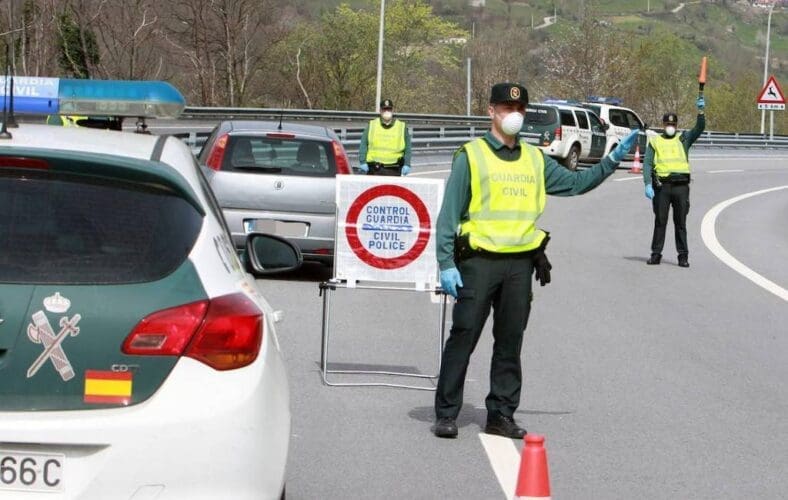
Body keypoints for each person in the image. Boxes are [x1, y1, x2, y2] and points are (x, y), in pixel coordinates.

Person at [433, 82, 639, 439]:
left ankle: (500, 414)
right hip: (478, 264)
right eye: (505, 108)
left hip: (519, 265)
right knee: (463, 336)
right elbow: (449, 215)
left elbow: (575, 184)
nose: (513, 115)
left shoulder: (535, 159)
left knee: (510, 343)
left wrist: (611, 161)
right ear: (491, 112)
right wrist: (445, 262)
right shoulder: (471, 155)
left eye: (519, 109)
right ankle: (447, 413)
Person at [642, 97, 705, 267]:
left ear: (677, 126)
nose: (671, 127)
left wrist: (700, 112)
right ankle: (656, 254)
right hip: (662, 187)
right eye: (668, 124)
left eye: (673, 124)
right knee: (660, 221)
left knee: (681, 223)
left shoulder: (684, 139)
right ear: (663, 125)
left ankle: (682, 256)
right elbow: (647, 163)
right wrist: (647, 183)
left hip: (681, 187)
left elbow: (699, 129)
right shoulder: (655, 141)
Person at [358, 99, 412, 176]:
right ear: (380, 110)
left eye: (389, 109)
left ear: (393, 110)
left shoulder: (401, 127)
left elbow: (408, 148)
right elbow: (363, 144)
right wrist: (362, 161)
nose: (387, 111)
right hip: (374, 169)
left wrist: (407, 164)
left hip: (394, 169)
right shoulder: (372, 125)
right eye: (384, 109)